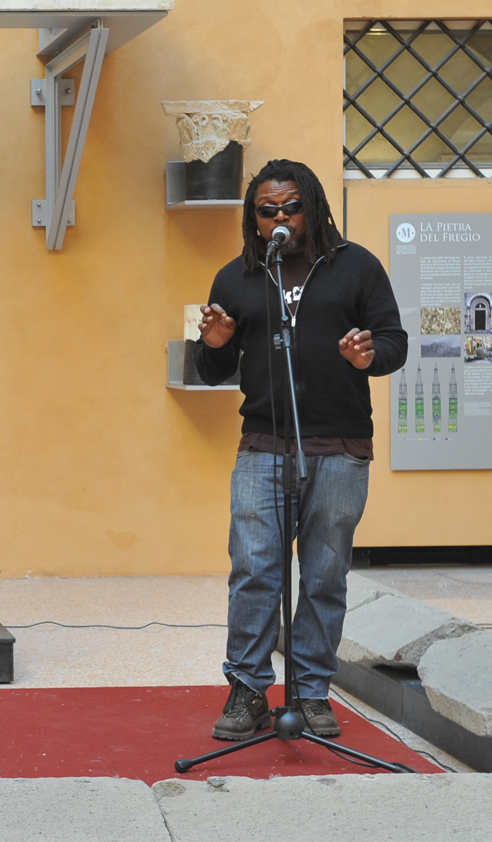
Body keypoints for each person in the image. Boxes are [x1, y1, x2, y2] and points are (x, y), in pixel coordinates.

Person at [195, 159, 406, 741]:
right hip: (263, 444)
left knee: (323, 574)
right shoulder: (235, 277)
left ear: (312, 209)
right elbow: (212, 369)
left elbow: (394, 341)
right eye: (269, 211)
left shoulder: (355, 266)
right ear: (254, 217)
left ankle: (312, 692)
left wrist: (370, 355)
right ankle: (248, 689)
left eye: (292, 208)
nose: (281, 218)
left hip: (339, 447)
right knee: (255, 569)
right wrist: (211, 345)